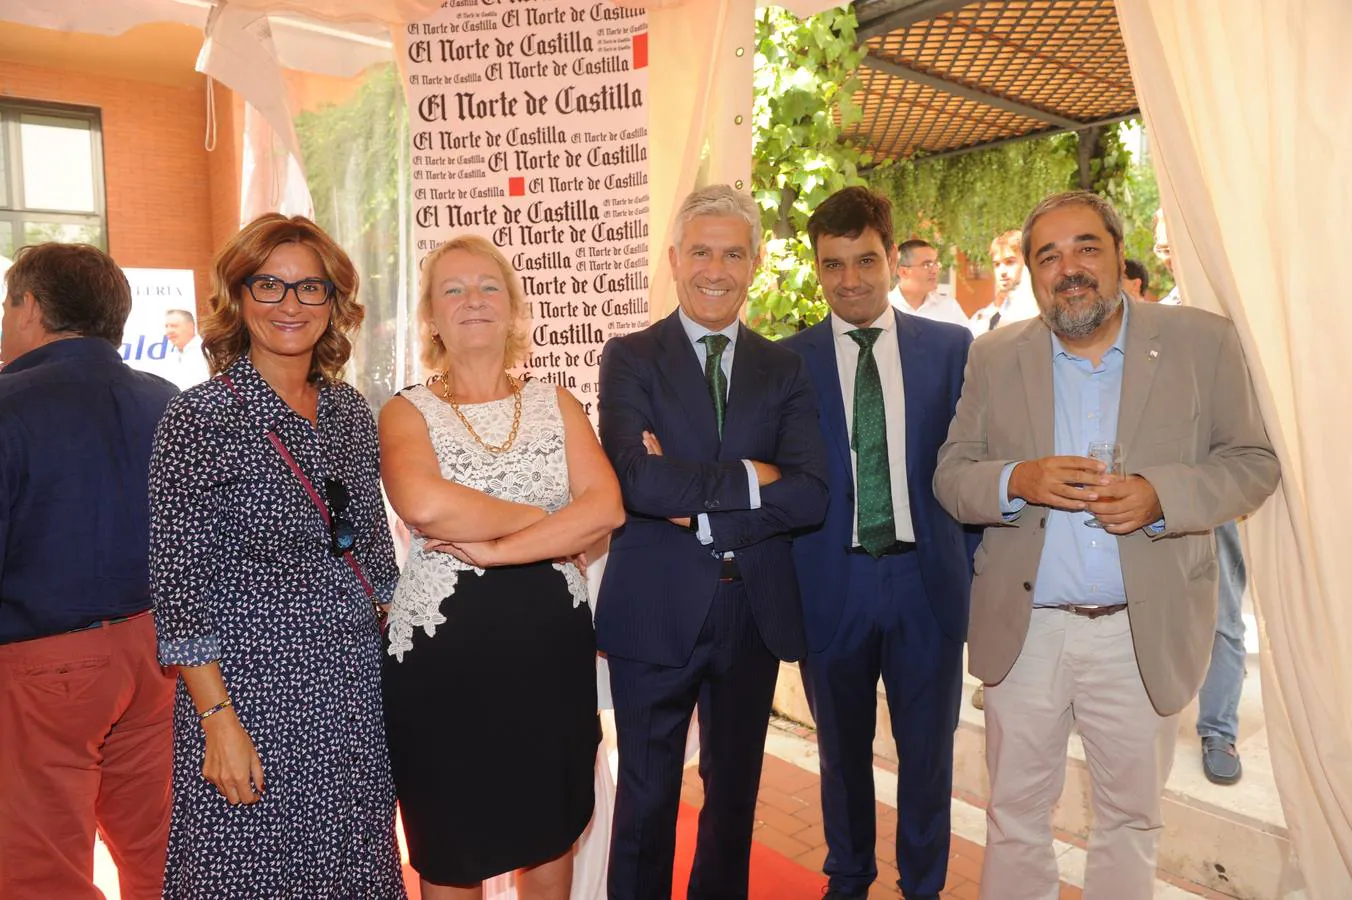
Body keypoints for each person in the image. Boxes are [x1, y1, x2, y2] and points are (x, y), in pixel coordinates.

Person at [934, 191, 1279, 898]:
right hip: (1027, 633)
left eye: (1086, 247)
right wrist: (1016, 479)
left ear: (1120, 254)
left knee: (1130, 819)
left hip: (1139, 632)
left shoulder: (1201, 342)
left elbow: (1253, 463)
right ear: (1031, 274)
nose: (1070, 269)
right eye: (1048, 256)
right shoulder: (996, 356)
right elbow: (951, 477)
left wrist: (1162, 495)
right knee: (1014, 815)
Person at [149, 214, 405, 899]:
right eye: (270, 285)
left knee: (353, 869)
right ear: (238, 296)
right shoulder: (200, 419)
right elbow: (179, 588)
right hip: (253, 696)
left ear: (334, 304)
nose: (290, 305)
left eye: (310, 289)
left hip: (352, 697)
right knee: (247, 870)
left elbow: (374, 555)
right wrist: (217, 722)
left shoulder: (350, 412)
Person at [596, 184, 828, 900]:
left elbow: (812, 493)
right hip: (657, 609)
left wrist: (695, 503)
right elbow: (636, 483)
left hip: (752, 616)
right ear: (673, 259)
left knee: (732, 805)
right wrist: (757, 479)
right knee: (646, 804)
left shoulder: (783, 367)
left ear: (755, 264)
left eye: (733, 253)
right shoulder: (630, 356)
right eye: (701, 251)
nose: (716, 269)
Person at [380, 234, 623, 900]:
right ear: (431, 315)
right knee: (451, 847)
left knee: (549, 833)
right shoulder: (405, 411)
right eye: (452, 290)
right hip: (441, 670)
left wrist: (495, 546)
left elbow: (606, 507)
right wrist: (546, 526)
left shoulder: (558, 403)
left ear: (514, 309)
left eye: (488, 286)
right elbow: (426, 503)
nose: (472, 301)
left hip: (550, 666)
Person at [782, 186, 973, 900]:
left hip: (926, 583)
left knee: (928, 755)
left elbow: (972, 466)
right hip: (833, 584)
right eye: (834, 265)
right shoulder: (787, 362)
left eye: (865, 260)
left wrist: (968, 568)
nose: (851, 280)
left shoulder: (951, 349)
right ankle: (849, 877)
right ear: (817, 268)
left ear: (893, 258)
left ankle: (922, 886)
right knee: (840, 752)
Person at [0, 243, 178, 900]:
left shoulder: (8, 405)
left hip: (43, 669)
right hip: (155, 651)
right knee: (156, 844)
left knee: (40, 864)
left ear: (32, 308)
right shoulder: (167, 400)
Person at [1151, 207, 1248, 784]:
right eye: (1160, 244)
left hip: (1217, 486)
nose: (1165, 251)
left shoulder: (1233, 312)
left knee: (1224, 610)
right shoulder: (1157, 315)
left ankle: (1219, 730)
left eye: (1172, 242)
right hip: (1160, 488)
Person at [968, 230, 1040, 335]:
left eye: (1010, 262)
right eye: (997, 264)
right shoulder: (989, 314)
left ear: (1028, 262)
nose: (1002, 271)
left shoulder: (1044, 309)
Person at [888, 239, 971, 328]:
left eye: (936, 264)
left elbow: (971, 340)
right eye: (926, 265)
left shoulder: (949, 306)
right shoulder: (884, 307)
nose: (935, 270)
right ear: (903, 272)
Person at [164, 308, 211, 389]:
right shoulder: (171, 355)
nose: (169, 331)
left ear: (191, 327)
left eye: (174, 326)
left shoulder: (206, 353)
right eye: (167, 326)